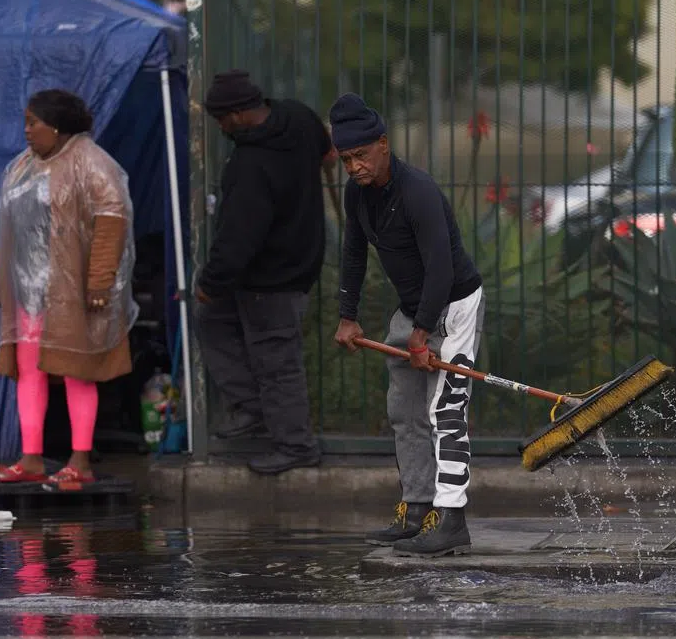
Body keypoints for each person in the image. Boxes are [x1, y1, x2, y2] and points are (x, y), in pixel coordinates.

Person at [330, 93, 484, 557]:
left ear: (383, 144)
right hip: (413, 306)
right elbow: (354, 253)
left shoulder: (417, 190)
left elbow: (440, 266)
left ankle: (451, 520)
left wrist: (422, 333)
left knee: (446, 410)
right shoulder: (357, 194)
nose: (353, 166)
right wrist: (347, 316)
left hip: (454, 304)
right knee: (404, 409)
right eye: (344, 158)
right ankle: (416, 508)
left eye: (360, 155)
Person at [0, 89, 137, 484]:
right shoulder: (23, 166)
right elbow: (9, 229)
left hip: (71, 292)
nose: (26, 131)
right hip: (28, 292)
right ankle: (32, 458)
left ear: (56, 126)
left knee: (77, 371)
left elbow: (112, 217)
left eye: (33, 122)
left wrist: (99, 280)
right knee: (29, 371)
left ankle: (80, 462)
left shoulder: (91, 163)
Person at [195, 70, 334, 475]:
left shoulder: (250, 164)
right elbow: (327, 153)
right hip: (300, 257)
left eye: (221, 119)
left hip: (269, 278)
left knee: (277, 363)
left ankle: (295, 446)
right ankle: (250, 407)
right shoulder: (300, 117)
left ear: (237, 114)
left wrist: (211, 282)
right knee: (214, 322)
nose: (221, 128)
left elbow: (239, 235)